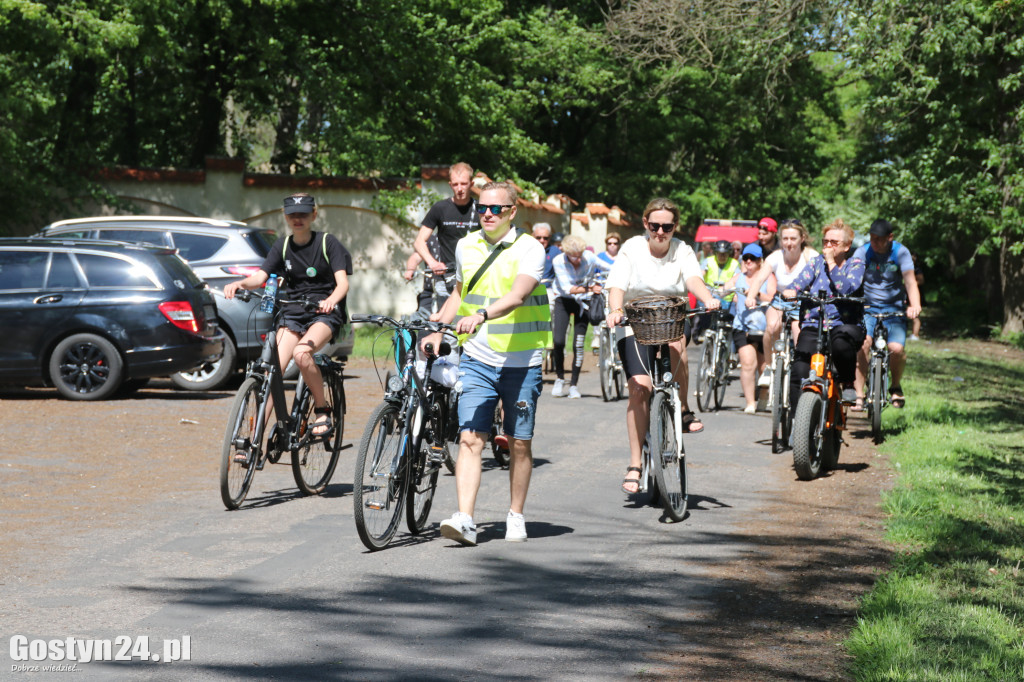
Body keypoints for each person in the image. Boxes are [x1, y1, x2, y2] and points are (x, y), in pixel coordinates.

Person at [422, 181, 551, 545]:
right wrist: (441, 330)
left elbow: (518, 294)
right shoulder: (466, 245)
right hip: (477, 357)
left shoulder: (529, 249)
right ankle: (464, 518)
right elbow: (460, 292)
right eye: (482, 208)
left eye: (496, 209)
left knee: (519, 442)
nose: (488, 214)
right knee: (469, 438)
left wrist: (481, 314)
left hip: (522, 362)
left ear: (513, 212)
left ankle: (516, 514)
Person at [605, 198, 720, 495]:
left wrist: (706, 298)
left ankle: (682, 410)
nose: (660, 232)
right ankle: (635, 463)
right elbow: (617, 283)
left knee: (678, 350)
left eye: (667, 226)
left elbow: (693, 278)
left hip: (671, 317)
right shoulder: (631, 247)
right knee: (639, 386)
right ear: (645, 223)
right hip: (636, 319)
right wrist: (616, 309)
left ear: (674, 227)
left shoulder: (682, 249)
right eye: (654, 225)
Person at [224, 193, 352, 444]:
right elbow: (260, 277)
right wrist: (241, 283)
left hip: (324, 314)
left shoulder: (328, 242)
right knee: (274, 371)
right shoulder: (282, 246)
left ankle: (322, 410)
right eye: (292, 214)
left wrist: (331, 301)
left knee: (302, 354)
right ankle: (254, 439)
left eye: (303, 214)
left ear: (313, 215)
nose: (297, 219)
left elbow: (342, 284)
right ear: (285, 216)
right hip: (292, 312)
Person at [783, 218, 865, 407]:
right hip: (815, 323)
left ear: (846, 246)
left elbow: (845, 288)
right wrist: (792, 290)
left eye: (834, 243)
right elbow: (800, 281)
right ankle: (798, 426)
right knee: (799, 370)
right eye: (825, 242)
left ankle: (848, 383)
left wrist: (830, 263)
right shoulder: (815, 262)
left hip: (844, 325)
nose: (828, 246)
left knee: (841, 344)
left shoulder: (856, 264)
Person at [852, 219, 922, 409]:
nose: (875, 243)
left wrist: (915, 305)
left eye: (879, 239)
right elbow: (852, 278)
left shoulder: (901, 252)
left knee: (896, 349)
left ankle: (895, 386)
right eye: (872, 239)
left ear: (890, 237)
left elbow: (910, 281)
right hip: (867, 307)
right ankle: (859, 393)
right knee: (863, 344)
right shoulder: (863, 251)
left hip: (894, 308)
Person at [744, 219, 819, 386]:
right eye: (785, 239)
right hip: (781, 300)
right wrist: (751, 296)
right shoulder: (776, 256)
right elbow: (759, 278)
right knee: (772, 326)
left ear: (802, 238)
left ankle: (801, 369)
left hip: (803, 301)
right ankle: (769, 368)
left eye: (793, 239)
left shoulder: (811, 256)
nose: (789, 243)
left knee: (798, 333)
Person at [412, 162, 479, 307]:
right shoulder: (440, 208)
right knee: (446, 324)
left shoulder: (481, 209)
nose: (460, 188)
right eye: (455, 184)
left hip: (474, 276)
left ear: (471, 183)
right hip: (446, 278)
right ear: (450, 185)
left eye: (464, 183)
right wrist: (433, 263)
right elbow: (419, 241)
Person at [725, 244, 776, 413]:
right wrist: (722, 291)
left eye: (752, 258)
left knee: (764, 366)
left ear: (760, 261)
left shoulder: (768, 278)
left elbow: (772, 297)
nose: (748, 261)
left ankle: (762, 396)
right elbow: (725, 290)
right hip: (742, 326)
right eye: (745, 258)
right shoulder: (738, 276)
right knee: (748, 364)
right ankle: (750, 403)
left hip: (763, 329)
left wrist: (756, 294)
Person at [550, 235, 601, 399]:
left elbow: (609, 267)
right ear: (565, 252)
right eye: (573, 256)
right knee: (558, 341)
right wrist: (591, 288)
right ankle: (559, 378)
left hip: (583, 304)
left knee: (578, 344)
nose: (578, 259)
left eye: (580, 255)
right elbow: (567, 289)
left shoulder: (589, 257)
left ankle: (574, 384)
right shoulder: (558, 260)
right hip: (563, 300)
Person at [692, 239, 739, 342]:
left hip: (726, 298)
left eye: (725, 254)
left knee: (732, 321)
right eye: (720, 254)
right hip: (710, 294)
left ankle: (730, 348)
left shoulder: (734, 264)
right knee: (703, 310)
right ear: (716, 253)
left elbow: (737, 278)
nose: (722, 256)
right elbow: (701, 273)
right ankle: (702, 330)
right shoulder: (708, 261)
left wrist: (733, 291)